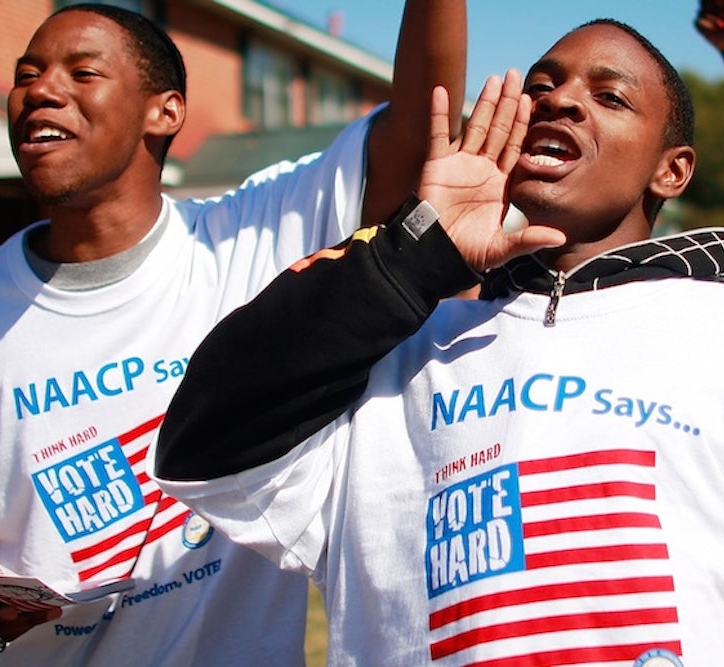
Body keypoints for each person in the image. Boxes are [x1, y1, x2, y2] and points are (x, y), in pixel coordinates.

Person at [0, 1, 472, 664]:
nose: (40, 90)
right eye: (26, 74)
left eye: (82, 72)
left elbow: (418, 129)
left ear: (165, 112)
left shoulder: (245, 238)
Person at [153, 19, 724, 666]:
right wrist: (414, 255)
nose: (560, 101)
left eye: (610, 96)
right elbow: (202, 447)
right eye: (541, 86)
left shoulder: (710, 328)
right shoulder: (397, 352)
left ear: (672, 170)